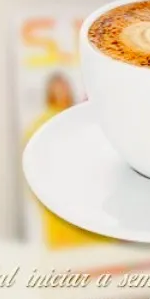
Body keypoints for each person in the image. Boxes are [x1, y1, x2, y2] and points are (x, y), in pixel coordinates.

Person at [24, 73, 113, 248]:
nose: (63, 90)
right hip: (62, 215)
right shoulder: (43, 123)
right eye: (58, 86)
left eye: (65, 85)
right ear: (49, 92)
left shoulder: (78, 118)